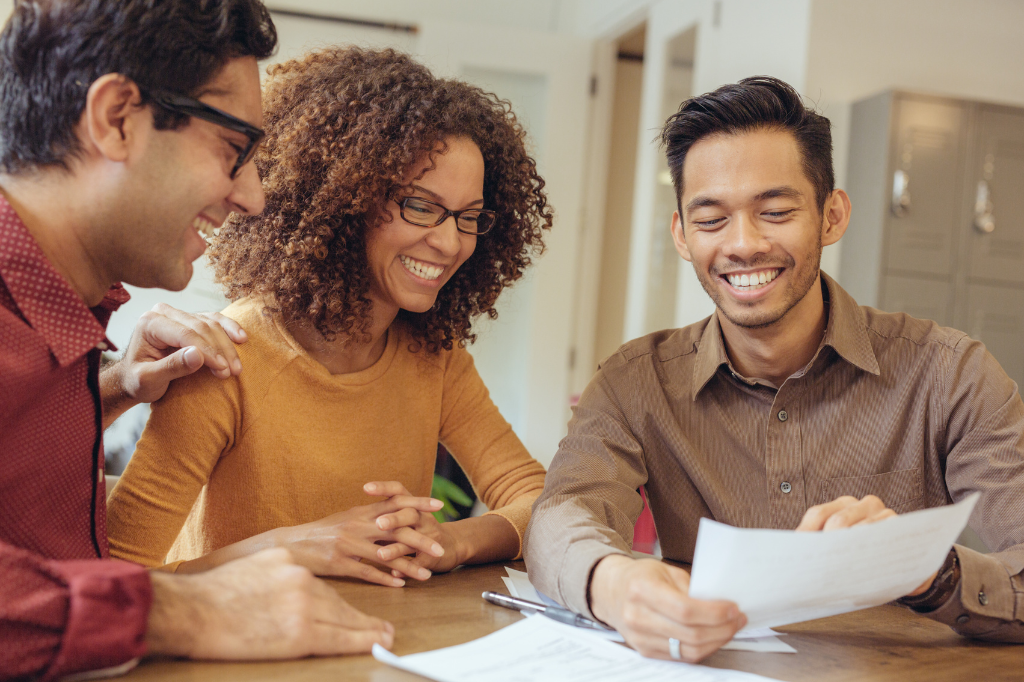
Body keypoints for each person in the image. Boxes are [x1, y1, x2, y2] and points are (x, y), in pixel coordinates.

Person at [523, 76, 1024, 663]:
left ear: (832, 216)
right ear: (682, 235)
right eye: (711, 220)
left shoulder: (951, 374)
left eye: (776, 211)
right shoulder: (636, 382)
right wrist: (611, 581)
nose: (744, 244)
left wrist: (923, 569)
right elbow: (562, 513)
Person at [0, 2, 394, 680]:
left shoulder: (65, 321)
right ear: (118, 118)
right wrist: (185, 609)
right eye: (234, 149)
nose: (253, 197)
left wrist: (114, 388)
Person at [105, 47, 550, 587]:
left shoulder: (434, 358)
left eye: (470, 217)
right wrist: (283, 552)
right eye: (421, 206)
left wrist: (451, 541)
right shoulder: (227, 356)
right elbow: (117, 578)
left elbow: (535, 498)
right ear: (346, 199)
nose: (451, 241)